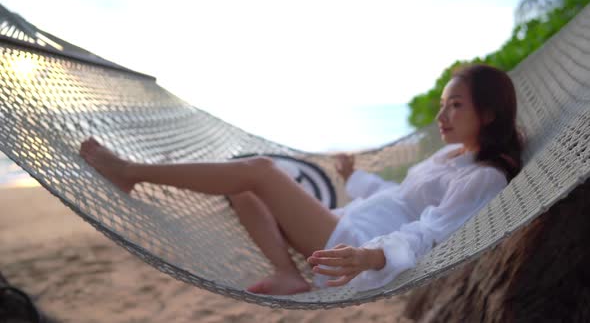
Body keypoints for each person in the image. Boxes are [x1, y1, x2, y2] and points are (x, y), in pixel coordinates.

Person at [79, 63, 525, 296]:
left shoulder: (483, 178)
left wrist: (373, 257)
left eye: (456, 106)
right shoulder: (451, 154)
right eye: (443, 104)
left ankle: (130, 172)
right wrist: (357, 178)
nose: (441, 115)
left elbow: (430, 235)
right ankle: (286, 273)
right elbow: (403, 198)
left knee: (258, 170)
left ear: (488, 113)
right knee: (244, 187)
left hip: (357, 247)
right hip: (346, 224)